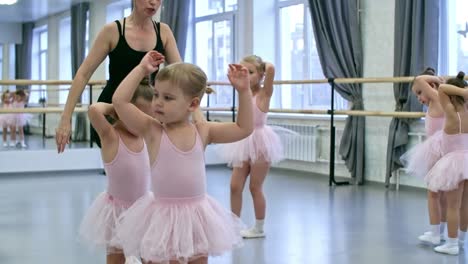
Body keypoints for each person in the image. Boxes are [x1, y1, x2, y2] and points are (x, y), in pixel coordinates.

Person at [112, 51, 252, 263]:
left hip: (197, 218)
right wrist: (141, 69)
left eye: (167, 98)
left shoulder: (203, 131)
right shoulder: (152, 130)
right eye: (156, 94)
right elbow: (119, 102)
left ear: (193, 104)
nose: (157, 102)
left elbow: (244, 128)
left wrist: (243, 91)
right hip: (161, 218)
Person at [56, 0, 182, 153]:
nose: (153, 2)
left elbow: (180, 75)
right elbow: (83, 74)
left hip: (146, 112)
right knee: (122, 167)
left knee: (146, 169)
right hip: (113, 112)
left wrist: (194, 113)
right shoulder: (112, 31)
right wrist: (66, 117)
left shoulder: (163, 31)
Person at [79, 78, 154, 264]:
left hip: (145, 208)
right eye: (136, 116)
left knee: (151, 256)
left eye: (146, 117)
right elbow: (94, 110)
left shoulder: (146, 136)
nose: (141, 122)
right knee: (116, 257)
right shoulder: (111, 136)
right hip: (117, 212)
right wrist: (119, 109)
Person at [220, 55, 281, 238]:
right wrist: (240, 74)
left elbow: (271, 69)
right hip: (243, 138)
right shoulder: (243, 91)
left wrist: (264, 67)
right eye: (244, 71)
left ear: (261, 74)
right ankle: (234, 225)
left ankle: (259, 228)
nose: (246, 75)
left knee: (255, 187)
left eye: (250, 72)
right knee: (234, 186)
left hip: (261, 141)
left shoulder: (264, 93)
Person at [401, 68, 448, 245]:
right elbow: (421, 81)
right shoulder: (443, 99)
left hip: (436, 151)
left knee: (433, 194)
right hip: (446, 149)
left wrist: (436, 79)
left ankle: (435, 233)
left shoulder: (437, 98)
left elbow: (420, 79)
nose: (420, 98)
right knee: (442, 194)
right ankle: (441, 231)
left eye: (420, 93)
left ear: (431, 86)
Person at [424, 72, 468, 255]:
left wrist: (463, 91)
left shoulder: (450, 112)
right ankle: (461, 240)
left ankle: (451, 244)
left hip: (454, 163)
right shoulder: (466, 112)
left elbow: (441, 88)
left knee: (452, 205)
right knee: (465, 204)